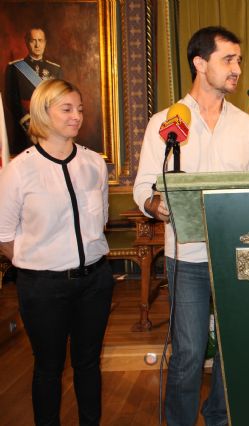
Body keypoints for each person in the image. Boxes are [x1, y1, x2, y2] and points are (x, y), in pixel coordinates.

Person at [133, 26, 249, 426]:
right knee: (189, 351)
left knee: (234, 347)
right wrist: (155, 204)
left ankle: (220, 417)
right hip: (188, 256)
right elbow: (143, 186)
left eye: (239, 60)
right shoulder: (165, 122)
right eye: (228, 59)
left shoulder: (246, 126)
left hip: (239, 254)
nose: (237, 68)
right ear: (199, 63)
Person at [0, 79, 114, 425]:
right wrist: (39, 262)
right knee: (48, 368)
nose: (76, 116)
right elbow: (4, 235)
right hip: (43, 288)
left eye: (80, 109)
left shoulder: (94, 163)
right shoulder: (20, 170)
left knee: (88, 364)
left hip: (95, 282)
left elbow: (102, 219)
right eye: (67, 109)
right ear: (43, 112)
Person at [5, 27, 63, 155]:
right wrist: (28, 124)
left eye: (40, 40)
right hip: (24, 130)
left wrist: (48, 123)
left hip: (49, 128)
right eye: (33, 41)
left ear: (45, 42)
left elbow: (59, 100)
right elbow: (11, 100)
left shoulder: (56, 69)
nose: (37, 45)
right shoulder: (14, 68)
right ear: (27, 42)